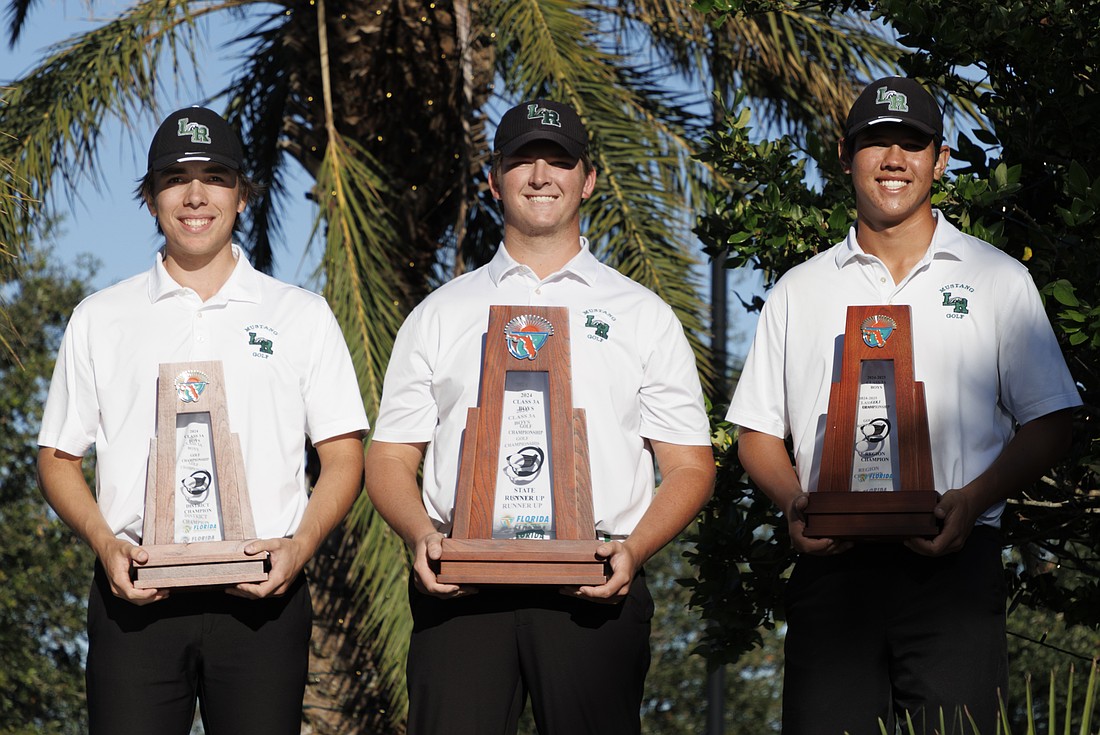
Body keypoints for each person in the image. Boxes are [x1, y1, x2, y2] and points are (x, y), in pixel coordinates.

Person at [727, 76, 1082, 734]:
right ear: (844, 153)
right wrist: (793, 501)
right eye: (875, 143)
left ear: (940, 159)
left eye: (911, 144)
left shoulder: (997, 277)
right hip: (832, 567)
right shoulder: (798, 291)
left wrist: (971, 500)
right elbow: (756, 434)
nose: (893, 159)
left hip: (955, 561)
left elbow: (1052, 421)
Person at [364, 98, 715, 735]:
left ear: (588, 180)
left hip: (593, 589)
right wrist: (420, 535)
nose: (540, 175)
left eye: (559, 161)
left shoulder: (642, 314)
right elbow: (389, 456)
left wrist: (632, 551)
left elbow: (690, 465)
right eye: (522, 161)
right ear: (494, 180)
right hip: (462, 587)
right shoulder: (441, 313)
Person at [36, 106, 369, 735]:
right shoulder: (100, 317)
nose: (195, 196)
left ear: (243, 195)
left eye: (215, 177)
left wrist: (298, 549)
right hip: (135, 596)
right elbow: (57, 458)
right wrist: (106, 544)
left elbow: (345, 455)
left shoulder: (301, 315)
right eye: (175, 178)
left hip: (264, 599)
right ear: (151, 197)